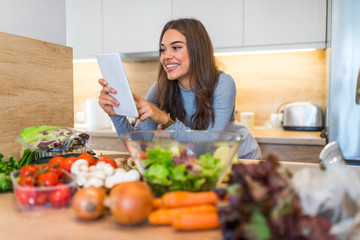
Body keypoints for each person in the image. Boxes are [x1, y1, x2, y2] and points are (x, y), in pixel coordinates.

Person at [98, 18, 261, 159]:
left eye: (176, 47)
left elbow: (209, 144)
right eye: (163, 49)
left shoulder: (223, 83)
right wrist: (116, 114)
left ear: (198, 50)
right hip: (202, 162)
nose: (166, 56)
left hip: (240, 158)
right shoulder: (160, 89)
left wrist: (164, 118)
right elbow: (140, 145)